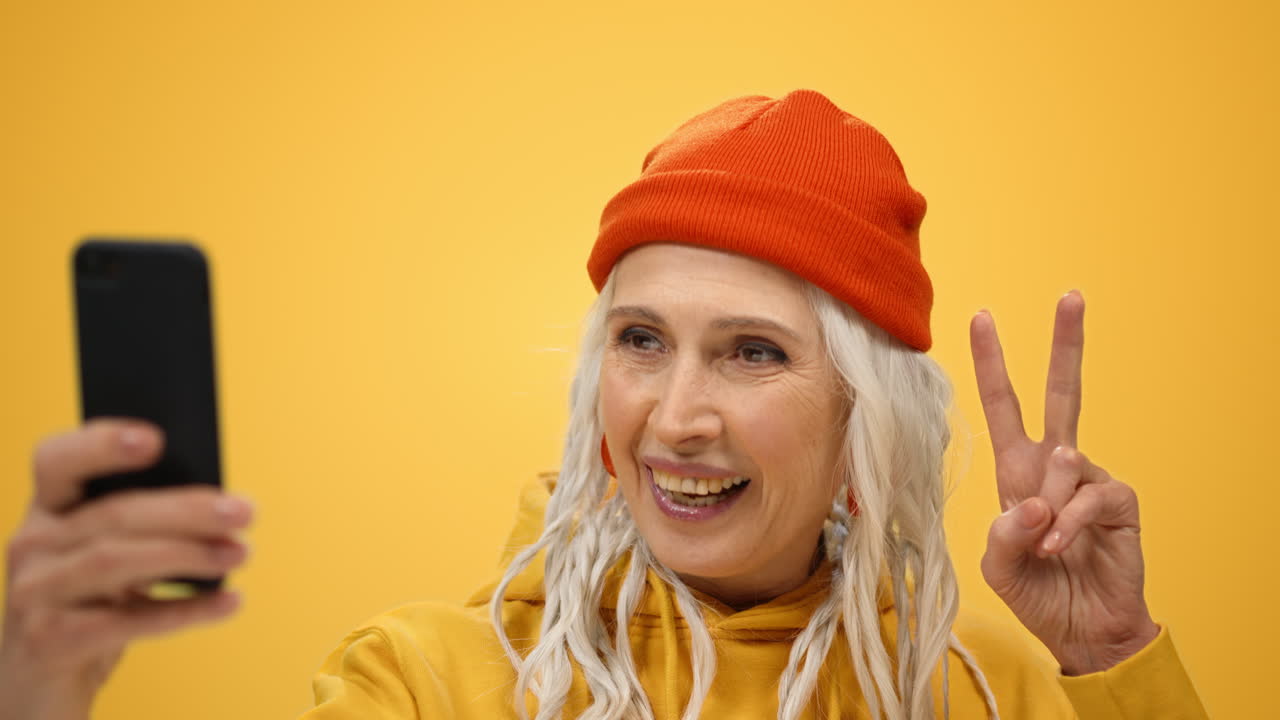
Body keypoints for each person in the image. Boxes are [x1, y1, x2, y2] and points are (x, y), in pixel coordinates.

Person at [0, 90, 1208, 719]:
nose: (674, 415)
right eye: (642, 341)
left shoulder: (982, 685)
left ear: (861, 412)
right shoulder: (433, 682)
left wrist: (1108, 660)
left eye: (749, 354)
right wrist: (42, 691)